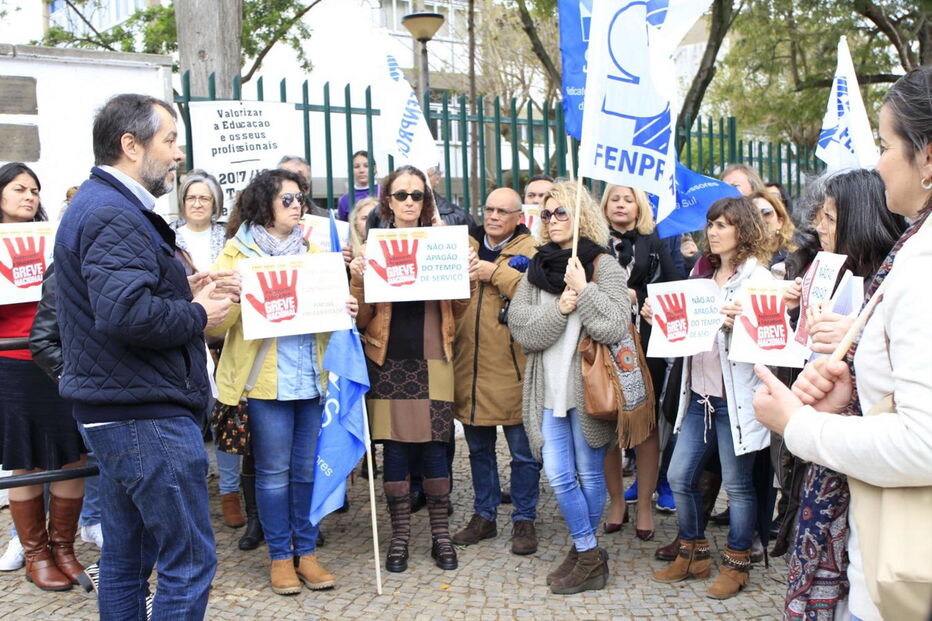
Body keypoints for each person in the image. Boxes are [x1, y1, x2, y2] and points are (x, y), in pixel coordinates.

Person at [753, 66, 932, 621]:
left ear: (927, 158)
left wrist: (800, 425)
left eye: (886, 145)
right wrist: (853, 392)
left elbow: (924, 444)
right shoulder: (914, 251)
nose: (878, 164)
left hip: (901, 581)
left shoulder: (923, 266)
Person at [54, 94, 235, 619]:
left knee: (126, 559)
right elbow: (127, 315)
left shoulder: (106, 205)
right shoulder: (112, 212)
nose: (178, 154)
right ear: (130, 145)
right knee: (189, 560)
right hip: (143, 415)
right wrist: (198, 313)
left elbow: (118, 300)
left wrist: (182, 288)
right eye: (170, 140)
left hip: (124, 408)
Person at [209, 168, 358, 595]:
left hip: (310, 379)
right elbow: (214, 326)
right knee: (273, 473)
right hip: (265, 383)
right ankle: (279, 556)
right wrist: (234, 296)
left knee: (306, 471)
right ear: (265, 205)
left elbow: (327, 317)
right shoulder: (235, 256)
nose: (298, 206)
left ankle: (306, 552)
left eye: (300, 199)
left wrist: (344, 308)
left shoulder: (315, 253)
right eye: (288, 199)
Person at [349, 165, 478, 574]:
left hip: (433, 357)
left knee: (436, 447)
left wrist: (469, 276)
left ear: (426, 201)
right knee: (397, 451)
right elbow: (362, 318)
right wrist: (357, 281)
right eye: (401, 194)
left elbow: (461, 307)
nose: (409, 201)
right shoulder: (373, 248)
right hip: (388, 361)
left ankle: (441, 536)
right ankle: (400, 537)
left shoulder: (445, 243)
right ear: (388, 201)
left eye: (417, 195)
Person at [648, 196, 773, 600]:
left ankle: (737, 564)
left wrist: (741, 325)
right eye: (711, 224)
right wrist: (660, 318)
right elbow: (684, 335)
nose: (714, 232)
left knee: (737, 486)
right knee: (678, 477)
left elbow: (770, 341)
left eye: (723, 225)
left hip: (734, 402)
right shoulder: (700, 274)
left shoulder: (758, 279)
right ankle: (693, 553)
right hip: (698, 396)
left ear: (743, 229)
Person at [507, 180, 628, 594]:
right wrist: (559, 309)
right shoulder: (537, 267)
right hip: (547, 389)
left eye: (561, 212)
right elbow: (523, 331)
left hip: (587, 390)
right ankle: (589, 552)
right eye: (546, 213)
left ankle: (584, 557)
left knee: (590, 475)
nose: (552, 220)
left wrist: (585, 288)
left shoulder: (602, 265)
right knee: (559, 476)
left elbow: (614, 325)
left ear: (581, 216)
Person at [0, 163, 87, 592]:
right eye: (19, 189)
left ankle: (64, 548)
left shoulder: (53, 239)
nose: (29, 196)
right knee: (26, 459)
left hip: (57, 355)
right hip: (13, 361)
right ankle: (36, 554)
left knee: (73, 456)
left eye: (34, 190)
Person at [450, 187, 541, 555]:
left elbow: (537, 293)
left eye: (503, 211)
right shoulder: (462, 246)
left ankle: (524, 519)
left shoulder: (533, 249)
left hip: (513, 370)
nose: (493, 216)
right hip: (469, 368)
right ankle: (484, 515)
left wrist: (495, 273)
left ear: (519, 217)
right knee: (479, 450)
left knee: (523, 453)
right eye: (489, 209)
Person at [598, 184, 683, 541]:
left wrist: (641, 295)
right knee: (606, 423)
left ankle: (645, 503)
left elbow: (676, 285)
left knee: (645, 424)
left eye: (628, 199)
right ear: (605, 205)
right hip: (602, 344)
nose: (621, 204)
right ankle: (617, 501)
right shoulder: (592, 240)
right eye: (614, 199)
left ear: (639, 206)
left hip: (645, 343)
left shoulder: (655, 240)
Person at [167, 169, 245, 530]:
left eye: (205, 198)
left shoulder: (230, 238)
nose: (197, 204)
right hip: (185, 338)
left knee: (225, 419)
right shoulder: (168, 239)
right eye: (191, 198)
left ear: (216, 203)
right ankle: (194, 495)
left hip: (224, 339)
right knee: (188, 425)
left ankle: (230, 492)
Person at [748, 189, 796, 270]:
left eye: (766, 212)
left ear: (780, 222)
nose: (760, 219)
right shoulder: (738, 257)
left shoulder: (794, 256)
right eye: (753, 214)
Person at [337, 150, 378, 221]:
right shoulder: (345, 199)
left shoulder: (384, 192)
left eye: (366, 166)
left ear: (374, 169)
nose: (361, 170)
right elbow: (343, 225)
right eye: (356, 167)